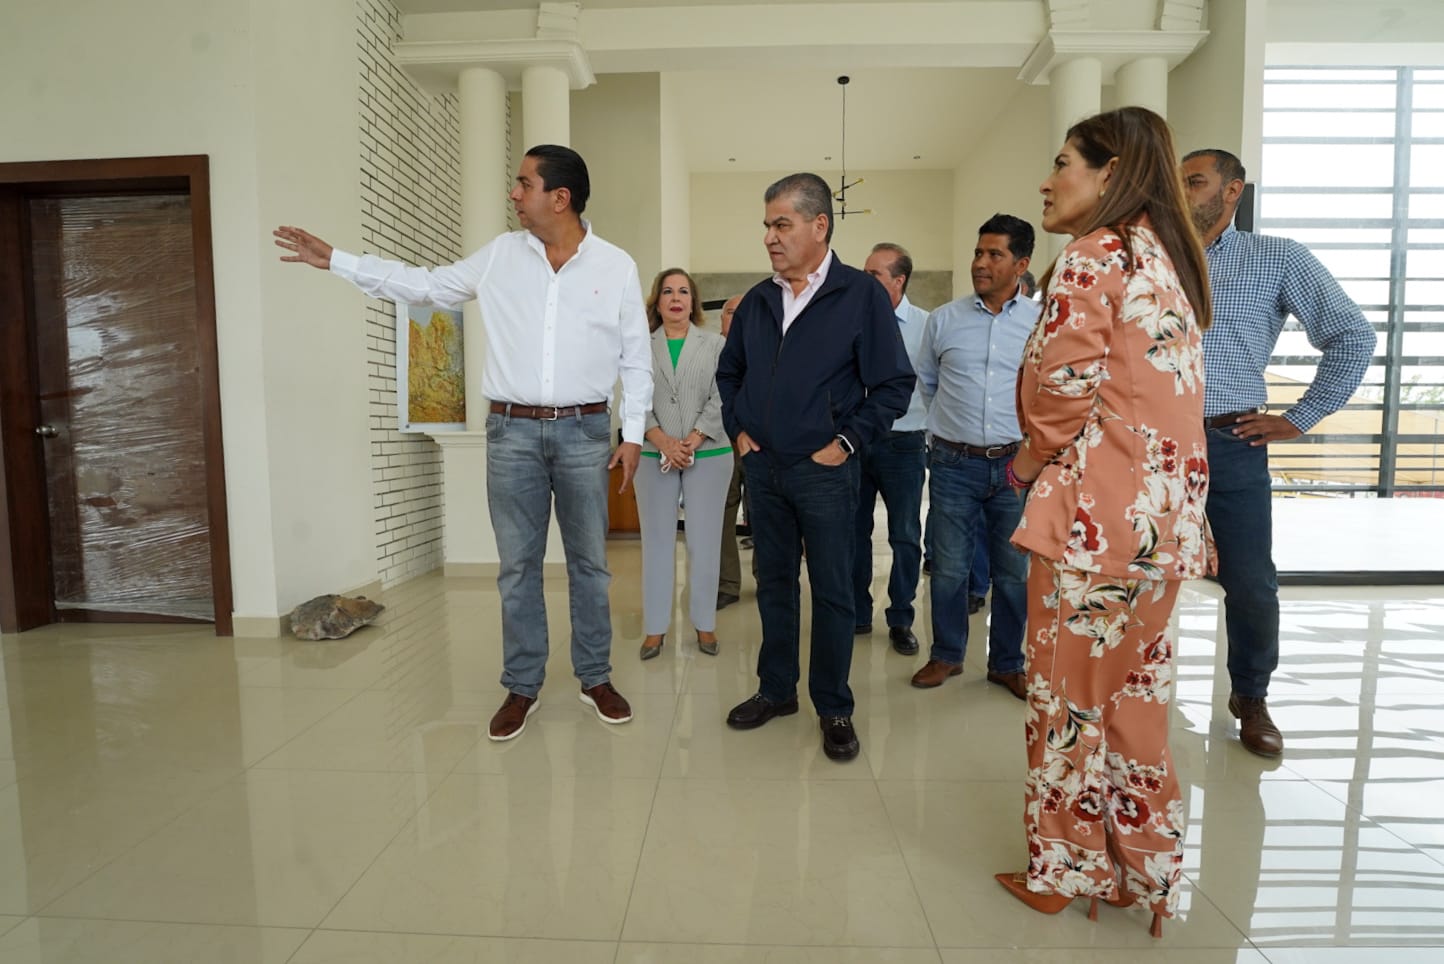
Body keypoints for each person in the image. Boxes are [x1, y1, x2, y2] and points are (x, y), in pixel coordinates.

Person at [273, 145, 651, 743]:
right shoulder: (501, 255)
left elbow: (636, 358)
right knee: (518, 567)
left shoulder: (616, 266)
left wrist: (631, 434)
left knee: (590, 565)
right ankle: (522, 685)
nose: (514, 194)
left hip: (584, 431)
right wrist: (338, 261)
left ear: (560, 197)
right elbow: (425, 286)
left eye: (524, 183)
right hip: (511, 433)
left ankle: (595, 677)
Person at [995, 106, 1214, 939]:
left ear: (1111, 172)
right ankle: (1141, 871)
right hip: (1162, 532)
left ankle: (1062, 870)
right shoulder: (1169, 262)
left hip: (1094, 526)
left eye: (1063, 164)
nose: (1047, 182)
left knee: (1064, 705)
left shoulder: (1094, 255)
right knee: (1135, 705)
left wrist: (1025, 463)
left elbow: (1062, 393)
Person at [1182, 148, 1375, 758]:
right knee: (1134, 572)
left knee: (1251, 583)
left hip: (1231, 441)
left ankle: (1251, 695)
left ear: (1232, 190)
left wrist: (1298, 419)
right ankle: (1126, 694)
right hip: (1147, 441)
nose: (1182, 191)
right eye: (1178, 181)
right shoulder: (1152, 256)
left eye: (1196, 181)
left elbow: (1353, 336)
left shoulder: (1277, 257)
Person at [716, 172, 914, 762]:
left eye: (782, 224)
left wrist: (847, 441)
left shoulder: (860, 296)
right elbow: (730, 374)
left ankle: (833, 705)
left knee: (832, 592)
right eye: (767, 226)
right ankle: (777, 690)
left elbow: (894, 384)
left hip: (825, 472)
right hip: (764, 469)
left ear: (820, 225)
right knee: (774, 584)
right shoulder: (758, 300)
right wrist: (740, 430)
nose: (770, 237)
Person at [911, 214, 1039, 699]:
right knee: (948, 567)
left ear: (1021, 264)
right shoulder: (944, 319)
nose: (980, 263)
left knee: (1013, 573)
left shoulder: (1039, 324)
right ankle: (946, 654)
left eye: (994, 255)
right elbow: (929, 383)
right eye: (978, 253)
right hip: (952, 463)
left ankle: (1007, 663)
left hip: (1015, 465)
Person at [636, 269, 731, 659]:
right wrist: (662, 441)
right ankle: (655, 629)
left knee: (704, 543)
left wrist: (693, 438)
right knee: (657, 543)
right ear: (657, 302)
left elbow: (724, 395)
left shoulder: (716, 345)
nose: (676, 298)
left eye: (683, 292)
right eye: (667, 292)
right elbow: (634, 399)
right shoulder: (639, 345)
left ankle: (705, 624)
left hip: (708, 453)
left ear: (693, 302)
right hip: (652, 454)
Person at [853, 242, 929, 656]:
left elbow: (936, 385)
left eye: (874, 275)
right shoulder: (851, 318)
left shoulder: (926, 326)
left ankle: (901, 617)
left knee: (905, 535)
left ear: (899, 281)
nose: (864, 281)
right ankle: (857, 612)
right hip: (856, 441)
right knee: (853, 532)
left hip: (904, 443)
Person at [716, 293, 745, 610]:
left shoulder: (765, 348)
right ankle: (726, 583)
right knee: (722, 513)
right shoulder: (709, 351)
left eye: (742, 313)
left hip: (759, 442)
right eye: (730, 312)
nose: (736, 318)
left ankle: (768, 578)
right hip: (719, 442)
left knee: (764, 513)